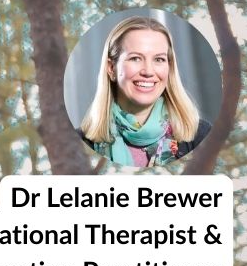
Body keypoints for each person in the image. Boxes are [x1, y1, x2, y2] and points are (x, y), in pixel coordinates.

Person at [79, 16, 210, 167]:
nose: (148, 71)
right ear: (111, 68)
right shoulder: (79, 142)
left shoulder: (202, 135)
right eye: (135, 58)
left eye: (159, 59)